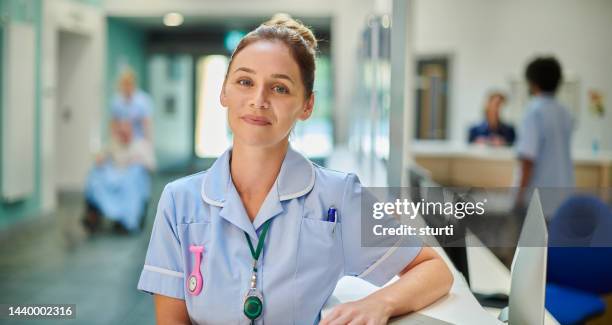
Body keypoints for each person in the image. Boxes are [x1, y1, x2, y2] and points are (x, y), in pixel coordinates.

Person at [137, 15, 453, 324]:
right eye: (245, 82)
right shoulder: (178, 201)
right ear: (224, 92)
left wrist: (379, 303)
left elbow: (434, 271)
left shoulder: (337, 197)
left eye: (280, 89)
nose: (258, 100)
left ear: (307, 105)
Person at [516, 56, 575, 211]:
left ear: (532, 83)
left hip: (540, 199)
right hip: (564, 197)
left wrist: (517, 197)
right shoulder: (565, 112)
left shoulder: (534, 111)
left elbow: (528, 159)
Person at [82, 121, 155, 233]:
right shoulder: (114, 144)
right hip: (115, 177)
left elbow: (151, 166)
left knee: (132, 177)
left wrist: (137, 161)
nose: (123, 135)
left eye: (126, 131)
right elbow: (101, 156)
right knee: (95, 176)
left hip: (132, 180)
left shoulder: (141, 145)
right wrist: (101, 160)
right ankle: (93, 214)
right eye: (121, 132)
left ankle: (128, 219)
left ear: (131, 131)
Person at [111, 69, 153, 142]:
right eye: (124, 84)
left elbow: (147, 125)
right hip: (121, 142)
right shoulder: (116, 101)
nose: (126, 87)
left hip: (138, 141)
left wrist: (148, 144)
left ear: (133, 84)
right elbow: (113, 124)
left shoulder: (143, 101)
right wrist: (113, 140)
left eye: (129, 84)